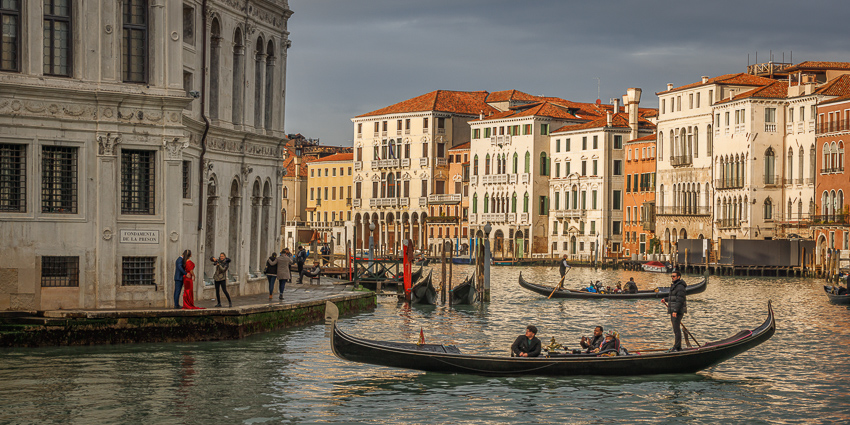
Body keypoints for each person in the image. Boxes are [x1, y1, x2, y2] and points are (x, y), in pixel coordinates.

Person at [662, 271, 687, 351]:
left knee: (676, 330)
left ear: (678, 277)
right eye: (671, 276)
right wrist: (665, 299)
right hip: (674, 310)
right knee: (676, 329)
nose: (672, 278)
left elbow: (680, 300)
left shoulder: (680, 287)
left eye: (674, 276)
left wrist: (675, 311)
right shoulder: (675, 286)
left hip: (677, 311)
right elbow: (673, 297)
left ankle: (677, 347)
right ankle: (677, 346)